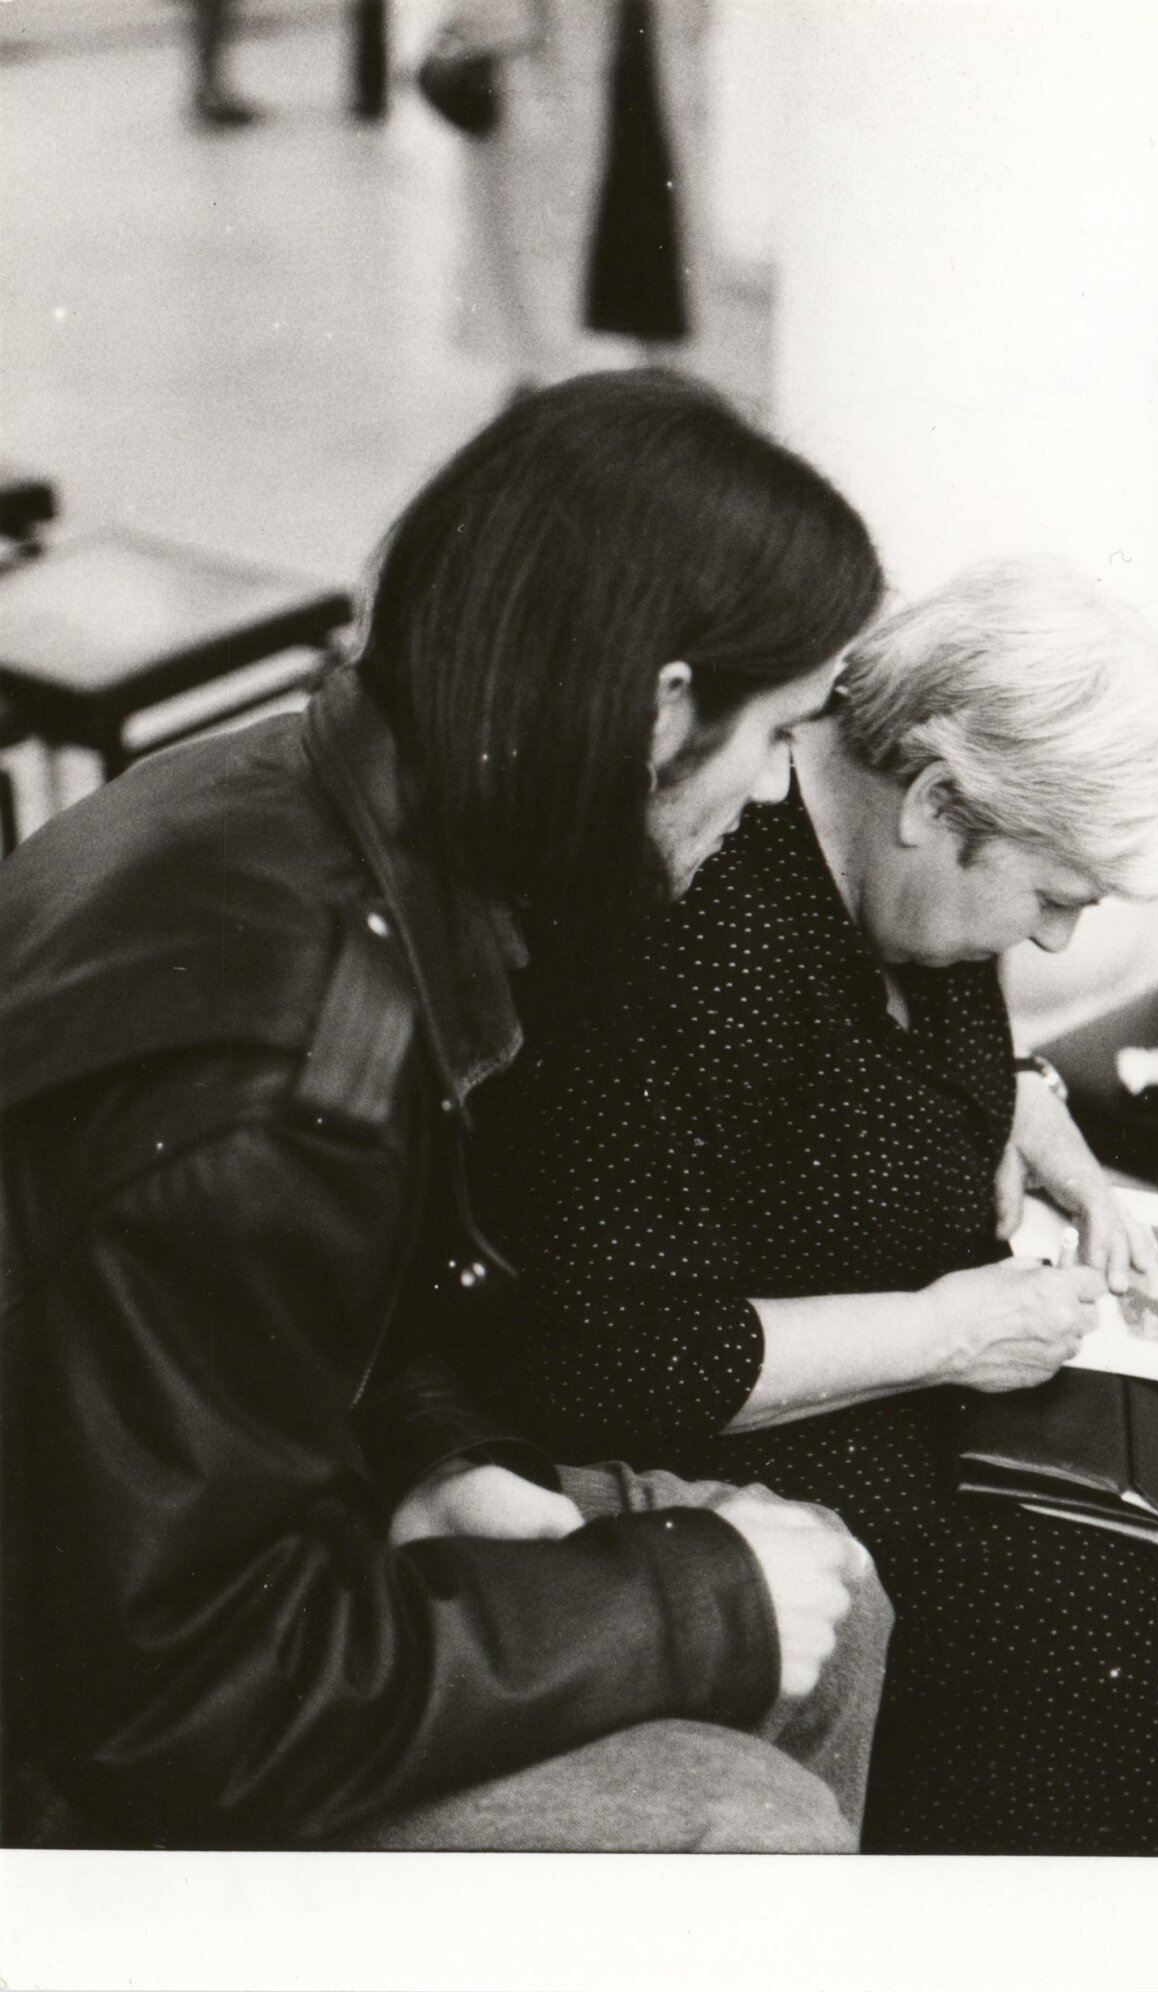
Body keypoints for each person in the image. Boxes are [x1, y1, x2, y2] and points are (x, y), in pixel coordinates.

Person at [0, 371, 892, 1852]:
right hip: (77, 1741)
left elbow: (266, 1340)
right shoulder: (284, 1087)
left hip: (184, 1561)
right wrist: (688, 1605)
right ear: (663, 710)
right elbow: (174, 1705)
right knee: (747, 1824)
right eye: (781, 732)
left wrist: (435, 1458)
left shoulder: (308, 792)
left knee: (827, 1600)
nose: (772, 795)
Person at [459, 557, 1158, 1857]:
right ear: (937, 801)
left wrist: (1026, 1105)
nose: (1056, 943)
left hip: (916, 1324)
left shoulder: (899, 866)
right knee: (1079, 1596)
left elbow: (900, 1045)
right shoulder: (705, 933)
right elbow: (615, 1360)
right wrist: (946, 1335)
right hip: (743, 1407)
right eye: (1055, 898)